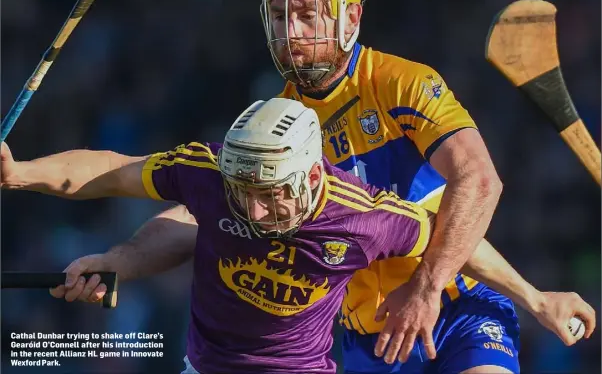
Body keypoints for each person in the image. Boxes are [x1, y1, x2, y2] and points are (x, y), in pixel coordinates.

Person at [40, 0, 595, 374]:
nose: (291, 32)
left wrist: (495, 294)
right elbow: (203, 214)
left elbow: (475, 183)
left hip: (451, 306)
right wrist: (121, 258)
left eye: (307, 14)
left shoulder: (402, 83)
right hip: (355, 334)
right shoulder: (275, 124)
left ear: (351, 16)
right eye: (279, 15)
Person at [1, 97, 439, 374]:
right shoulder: (207, 174)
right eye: (241, 192)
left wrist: (430, 285)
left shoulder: (363, 214)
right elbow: (110, 170)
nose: (253, 211)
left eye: (269, 195)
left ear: (309, 176)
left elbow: (450, 235)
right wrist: (20, 174)